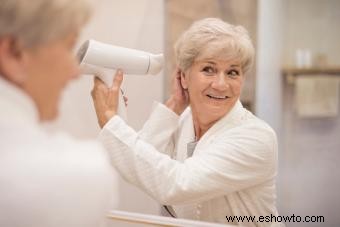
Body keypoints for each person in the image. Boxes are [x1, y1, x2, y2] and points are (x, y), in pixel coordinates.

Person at [91, 18, 281, 226]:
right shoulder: (183, 120)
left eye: (232, 72)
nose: (221, 84)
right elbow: (142, 165)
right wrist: (174, 104)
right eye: (209, 69)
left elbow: (178, 184)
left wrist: (109, 121)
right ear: (183, 77)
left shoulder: (255, 137)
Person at [0, 0, 115, 226]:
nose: (75, 72)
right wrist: (113, 123)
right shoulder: (78, 171)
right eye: (69, 47)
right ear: (14, 54)